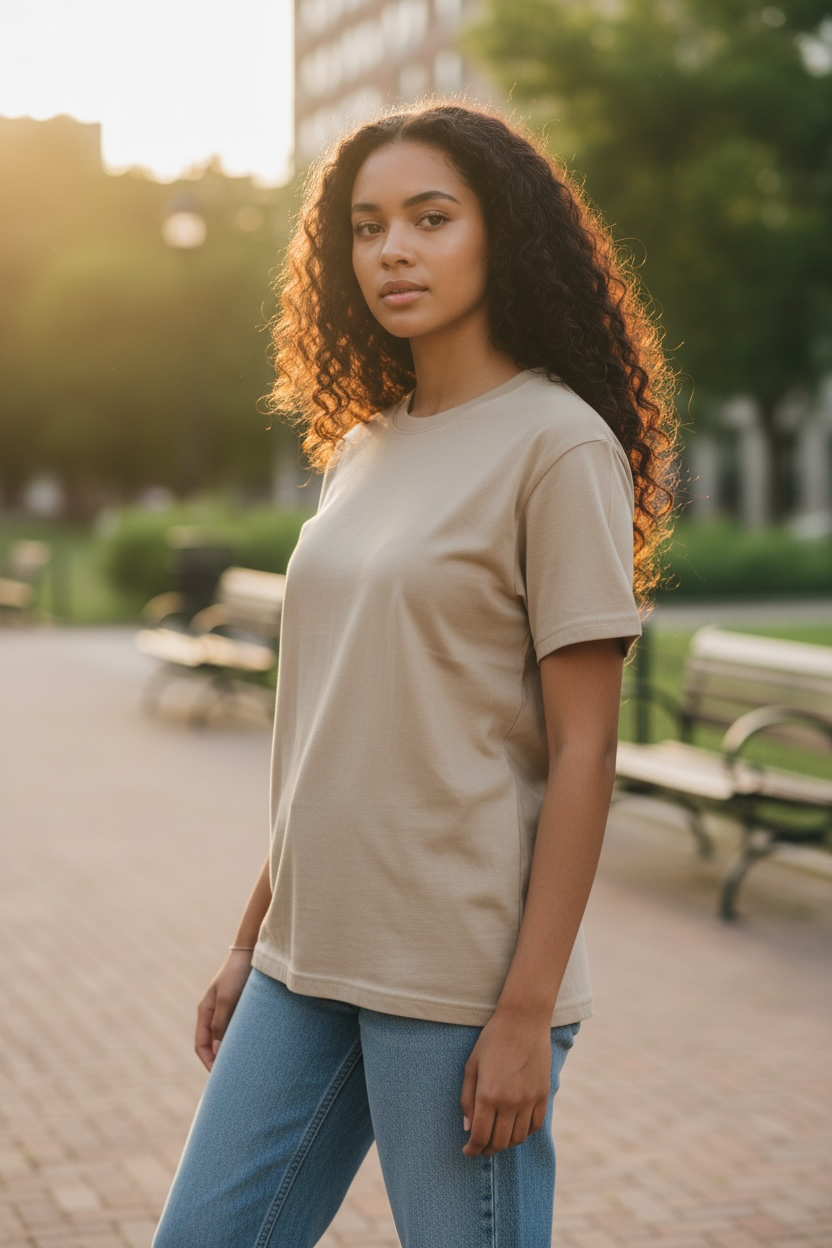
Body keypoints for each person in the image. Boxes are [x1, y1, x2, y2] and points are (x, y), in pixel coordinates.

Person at [153, 102, 676, 1248]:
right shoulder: (361, 447)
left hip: (458, 977)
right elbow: (333, 727)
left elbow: (585, 748)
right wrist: (252, 939)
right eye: (368, 225)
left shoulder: (559, 442)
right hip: (308, 958)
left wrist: (526, 1012)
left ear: (501, 233)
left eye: (430, 219)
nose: (393, 249)